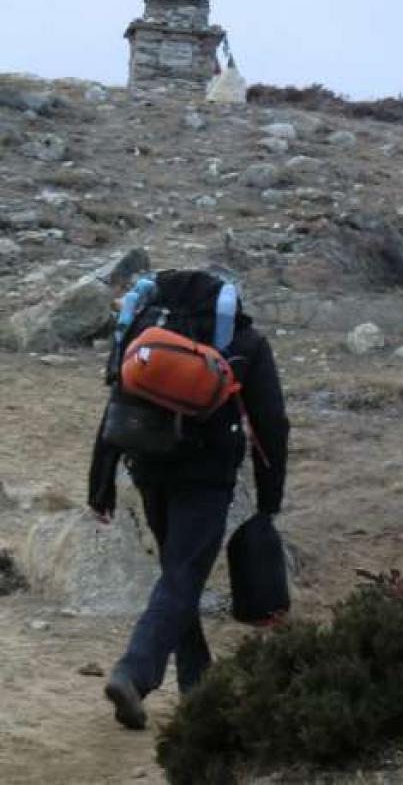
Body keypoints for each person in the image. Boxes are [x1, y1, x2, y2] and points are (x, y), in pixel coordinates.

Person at [87, 270, 290, 730]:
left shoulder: (144, 332)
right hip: (206, 474)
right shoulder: (244, 341)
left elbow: (115, 404)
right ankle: (134, 672)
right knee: (181, 578)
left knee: (178, 577)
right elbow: (272, 424)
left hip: (148, 465)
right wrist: (268, 500)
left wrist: (100, 484)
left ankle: (200, 691)